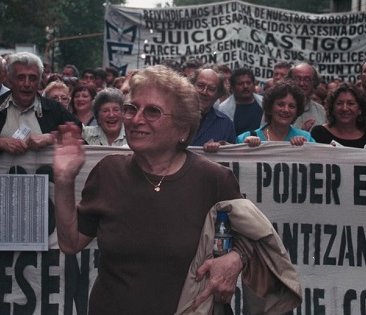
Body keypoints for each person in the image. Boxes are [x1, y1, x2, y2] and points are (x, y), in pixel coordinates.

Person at [52, 65, 275, 314]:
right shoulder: (108, 172)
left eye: (153, 112)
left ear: (182, 129)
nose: (136, 120)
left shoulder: (214, 179)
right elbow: (70, 243)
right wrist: (63, 180)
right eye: (131, 109)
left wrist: (235, 259)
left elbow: (255, 240)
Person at [0, 52, 81, 159]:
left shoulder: (54, 109)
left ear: (39, 81)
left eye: (32, 78)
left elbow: (78, 133)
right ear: (10, 80)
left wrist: (51, 137)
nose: (26, 84)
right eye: (21, 78)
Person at [236, 80, 314, 146]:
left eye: (291, 106)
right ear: (270, 106)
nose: (286, 110)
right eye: (280, 104)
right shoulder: (244, 138)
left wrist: (306, 148)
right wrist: (245, 148)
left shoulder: (306, 138)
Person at [311, 83, 366, 149]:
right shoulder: (319, 133)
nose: (344, 108)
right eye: (339, 103)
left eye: (351, 103)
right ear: (332, 108)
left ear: (360, 109)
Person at [188, 68, 236, 147]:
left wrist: (222, 149)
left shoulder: (225, 124)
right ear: (191, 86)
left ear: (218, 94)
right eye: (200, 86)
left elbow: (233, 157)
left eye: (211, 89)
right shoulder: (173, 116)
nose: (204, 92)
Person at [218, 68, 264, 135]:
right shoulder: (223, 108)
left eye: (248, 83)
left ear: (254, 84)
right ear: (232, 87)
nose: (245, 86)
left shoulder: (264, 103)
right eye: (240, 84)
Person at [287, 63, 327, 131]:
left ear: (314, 82)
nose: (301, 83)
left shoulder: (320, 110)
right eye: (297, 79)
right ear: (289, 81)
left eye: (307, 79)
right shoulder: (278, 108)